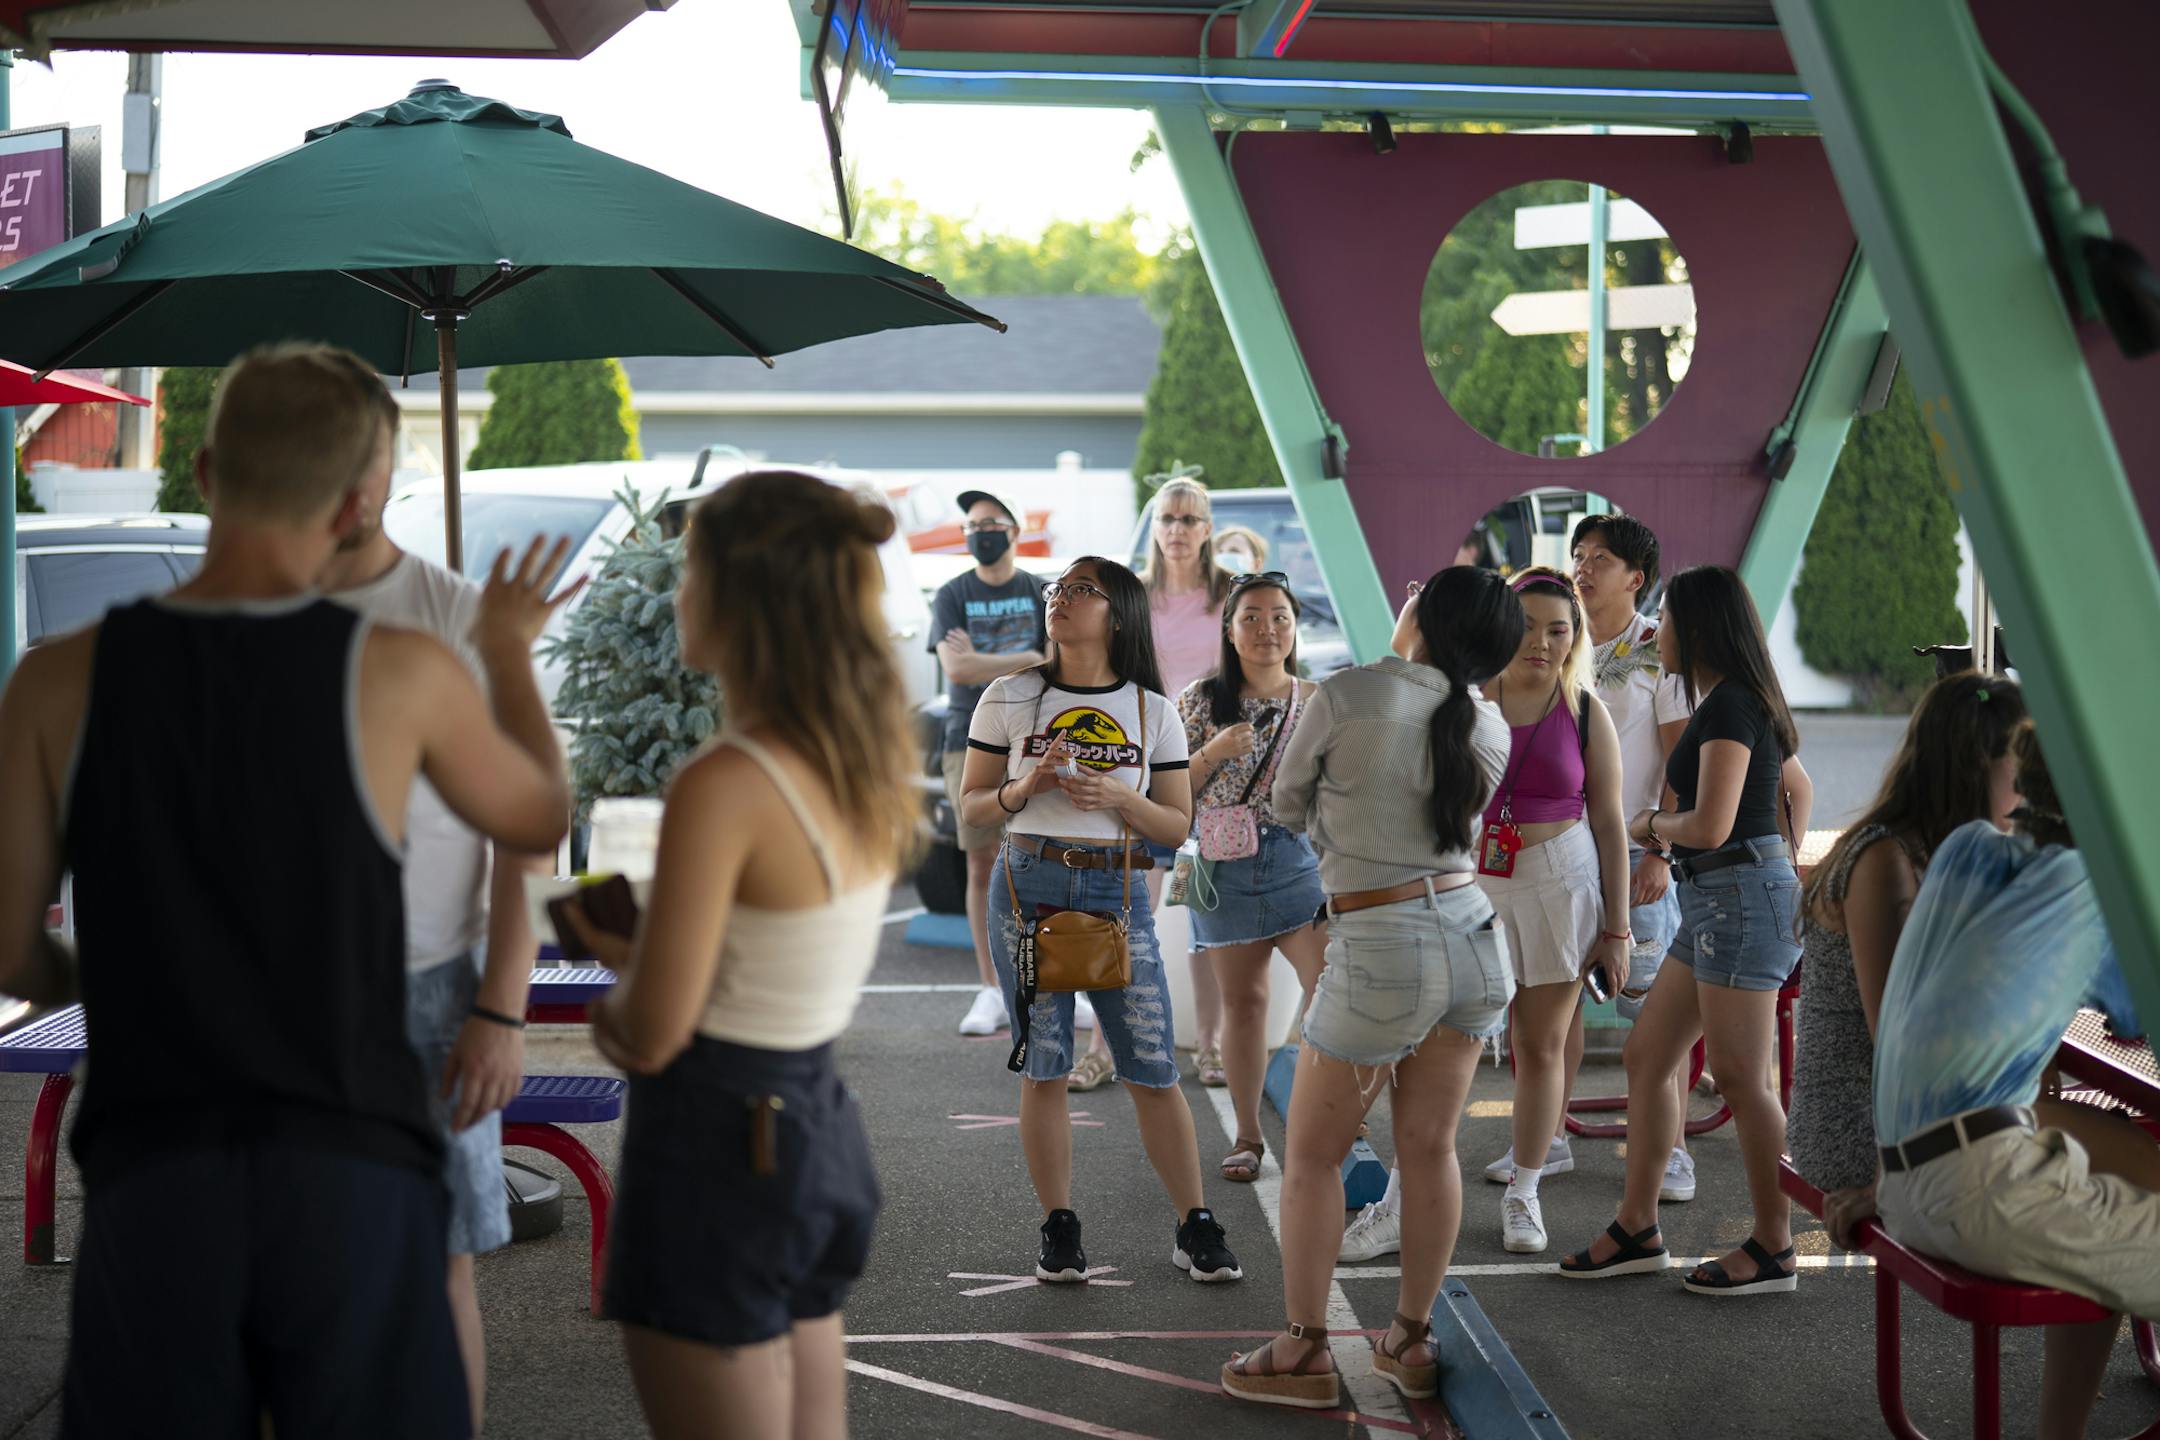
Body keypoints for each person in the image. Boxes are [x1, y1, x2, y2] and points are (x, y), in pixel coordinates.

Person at [0, 342, 574, 1437]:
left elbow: (6, 946)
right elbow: (538, 818)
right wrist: (504, 654)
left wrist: (102, 976)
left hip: (154, 1162)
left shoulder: (55, 677)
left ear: (205, 473)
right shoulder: (400, 672)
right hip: (350, 1154)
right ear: (361, 501)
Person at [576, 471, 912, 1440]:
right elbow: (776, 950)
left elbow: (648, 1033)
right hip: (812, 1131)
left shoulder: (725, 782)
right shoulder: (857, 761)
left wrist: (612, 971)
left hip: (716, 1149)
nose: (677, 593)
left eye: (691, 570)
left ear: (745, 597)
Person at [1221, 567, 1520, 1410]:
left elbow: (1284, 802)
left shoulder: (1350, 692)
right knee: (1429, 1147)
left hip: (1381, 945)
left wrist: (1342, 828)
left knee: (1311, 1157)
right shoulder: (1488, 722)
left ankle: (1305, 1353)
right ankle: (1410, 1338)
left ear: (1421, 614)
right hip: (1474, 941)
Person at [322, 469, 549, 1434]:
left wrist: (501, 1010)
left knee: (439, 1262)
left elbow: (528, 830)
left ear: (385, 471)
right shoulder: (235, 611)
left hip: (430, 991)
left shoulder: (456, 615)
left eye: (358, 458)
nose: (338, 482)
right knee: (287, 1266)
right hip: (279, 991)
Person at [959, 558, 1244, 1288]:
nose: (1060, 599)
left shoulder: (1153, 711)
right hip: (1027, 886)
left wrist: (1114, 796)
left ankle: (1195, 1223)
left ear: (1117, 611)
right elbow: (971, 811)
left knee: (1151, 1065)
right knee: (1046, 1065)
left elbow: (1176, 824)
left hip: (1117, 891)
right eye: (1056, 589)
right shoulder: (1009, 696)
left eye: (1079, 590)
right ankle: (1059, 1226)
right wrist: (1031, 785)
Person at [1873, 721, 2157, 1439]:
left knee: (2117, 1171)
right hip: (1980, 1189)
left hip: (1901, 1180)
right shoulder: (2093, 888)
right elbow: (2134, 1014)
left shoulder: (1967, 847)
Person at [1560, 564, 1812, 1295]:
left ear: (1697, 628)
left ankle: (1773, 1245)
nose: (1658, 632)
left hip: (1736, 896)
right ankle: (1636, 1224)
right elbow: (1796, 790)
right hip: (1721, 897)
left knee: (1738, 1077)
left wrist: (1651, 829)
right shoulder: (1732, 701)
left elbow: (1711, 822)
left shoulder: (1733, 706)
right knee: (1647, 1054)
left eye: (1668, 620)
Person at [1786, 672, 2027, 1228]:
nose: (2032, 786)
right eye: (2023, 766)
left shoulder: (1953, 854)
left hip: (1919, 1112)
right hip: (1862, 1130)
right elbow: (1897, 1042)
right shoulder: (1886, 862)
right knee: (2111, 1179)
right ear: (1976, 768)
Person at [1464, 568, 1630, 1255]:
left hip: (1563, 881)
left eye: (1558, 629)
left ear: (1575, 637)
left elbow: (1613, 824)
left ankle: (1525, 1191)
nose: (1541, 641)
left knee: (1539, 1047)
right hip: (1471, 885)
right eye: (1527, 625)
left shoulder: (1587, 709)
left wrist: (1617, 930)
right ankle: (1402, 1193)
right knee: (1451, 1045)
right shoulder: (1466, 704)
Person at [1176, 571, 1329, 1184]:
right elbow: (1168, 786)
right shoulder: (1199, 698)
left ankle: (1329, 1115)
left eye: (1280, 617)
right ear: (1230, 630)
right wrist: (1214, 753)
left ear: (1295, 628)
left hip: (1298, 860)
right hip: (1222, 865)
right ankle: (1247, 1136)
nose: (1268, 629)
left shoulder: (1319, 699)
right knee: (1245, 1005)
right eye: (1252, 618)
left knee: (1329, 988)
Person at [929, 490, 1049, 1039]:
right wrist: (1025, 659)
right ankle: (990, 989)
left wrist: (989, 663)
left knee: (1039, 861)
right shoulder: (953, 594)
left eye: (991, 523)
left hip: (1036, 739)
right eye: (971, 525)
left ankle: (1048, 979)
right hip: (968, 739)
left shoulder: (1039, 592)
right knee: (981, 866)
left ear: (1014, 530)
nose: (980, 532)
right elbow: (957, 670)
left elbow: (1058, 663)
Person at [1137, 474, 1238, 1088]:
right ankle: (1107, 1042)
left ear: (1207, 530)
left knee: (1204, 911)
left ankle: (1212, 1044)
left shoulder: (1230, 596)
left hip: (1212, 773)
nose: (1176, 530)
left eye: (1189, 519)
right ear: (1154, 529)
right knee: (1133, 910)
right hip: (1144, 769)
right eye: (1166, 519)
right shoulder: (1135, 596)